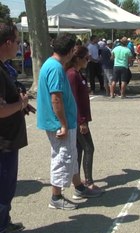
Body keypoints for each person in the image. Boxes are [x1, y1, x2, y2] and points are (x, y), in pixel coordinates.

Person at [37, 34, 102, 211]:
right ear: (71, 50)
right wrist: (63, 124)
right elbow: (56, 98)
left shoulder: (54, 65)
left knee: (71, 155)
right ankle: (56, 197)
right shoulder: (56, 68)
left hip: (65, 121)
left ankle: (79, 187)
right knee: (62, 157)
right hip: (58, 123)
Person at [0, 20, 30, 233]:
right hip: (3, 143)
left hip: (9, 140)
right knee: (3, 190)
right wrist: (19, 104)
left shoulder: (3, 66)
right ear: (7, 42)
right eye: (18, 42)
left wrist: (21, 104)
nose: (19, 46)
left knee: (7, 189)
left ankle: (4, 223)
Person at [65, 46, 101, 191]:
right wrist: (81, 121)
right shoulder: (72, 74)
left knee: (80, 149)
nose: (88, 60)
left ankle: (78, 182)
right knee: (89, 148)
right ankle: (87, 182)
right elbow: (73, 100)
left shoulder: (79, 73)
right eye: (86, 58)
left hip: (81, 118)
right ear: (78, 59)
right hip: (78, 120)